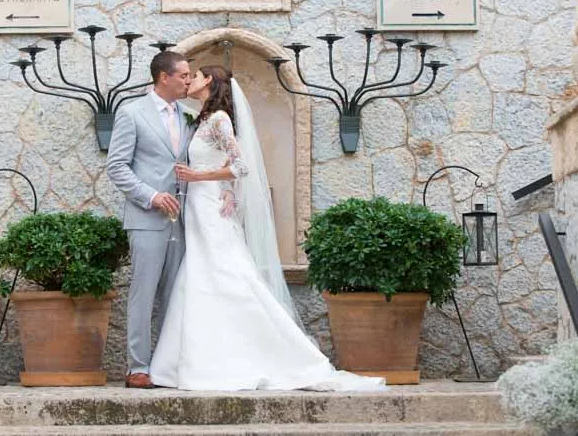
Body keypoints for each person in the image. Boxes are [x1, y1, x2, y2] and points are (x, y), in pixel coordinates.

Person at [149, 65, 387, 392]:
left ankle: (254, 352)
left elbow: (241, 165)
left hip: (209, 207)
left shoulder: (219, 119)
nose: (191, 81)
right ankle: (205, 355)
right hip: (202, 206)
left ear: (212, 83)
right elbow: (222, 163)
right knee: (203, 273)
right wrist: (221, 188)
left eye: (198, 76)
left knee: (222, 272)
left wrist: (198, 177)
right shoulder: (203, 118)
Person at [105, 51, 193, 389]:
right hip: (146, 218)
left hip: (184, 220)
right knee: (142, 295)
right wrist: (151, 196)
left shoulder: (189, 116)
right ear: (164, 77)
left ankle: (169, 366)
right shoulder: (131, 113)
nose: (188, 80)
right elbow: (116, 166)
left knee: (176, 294)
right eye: (183, 75)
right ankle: (137, 367)